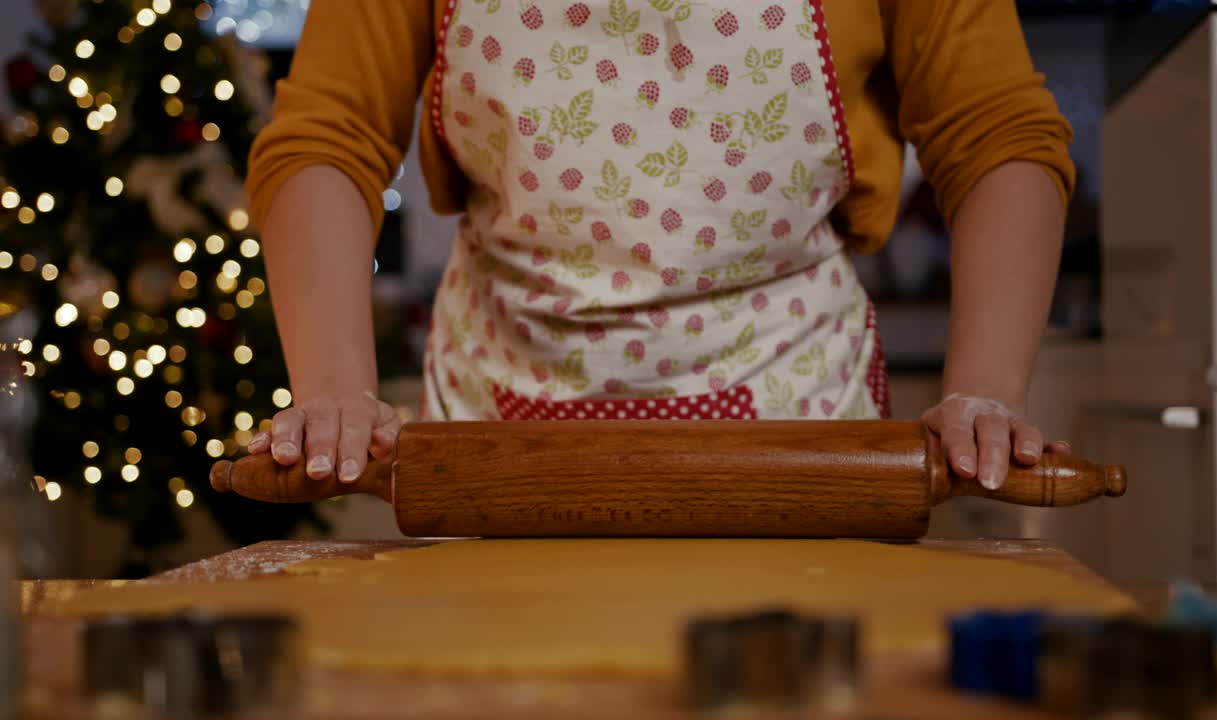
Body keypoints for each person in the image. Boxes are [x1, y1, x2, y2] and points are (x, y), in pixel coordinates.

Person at [244, 0, 1075, 493]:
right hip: (496, 444)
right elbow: (328, 136)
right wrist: (333, 388)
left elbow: (997, 132)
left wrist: (986, 391)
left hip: (796, 429)